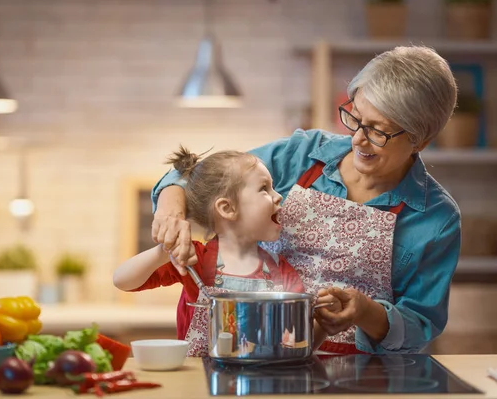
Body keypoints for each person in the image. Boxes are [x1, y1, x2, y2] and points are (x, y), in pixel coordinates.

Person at [150, 45, 460, 355]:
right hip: (258, 355)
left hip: (358, 377)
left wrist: (366, 312)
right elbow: (195, 176)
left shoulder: (436, 217)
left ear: (421, 139)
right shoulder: (301, 154)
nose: (358, 139)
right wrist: (171, 209)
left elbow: (421, 325)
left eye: (378, 131)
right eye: (355, 118)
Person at [113, 147, 337, 356]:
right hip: (198, 384)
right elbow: (123, 281)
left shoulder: (280, 270)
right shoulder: (195, 259)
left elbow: (295, 344)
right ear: (227, 208)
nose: (278, 196)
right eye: (264, 189)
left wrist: (325, 326)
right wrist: (163, 251)